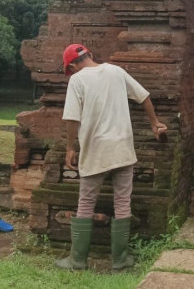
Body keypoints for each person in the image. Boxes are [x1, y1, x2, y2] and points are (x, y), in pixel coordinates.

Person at [54, 43, 168, 271]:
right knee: (122, 203)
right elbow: (144, 96)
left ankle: (77, 260)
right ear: (91, 55)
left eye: (71, 69)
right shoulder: (116, 71)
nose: (73, 72)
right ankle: (120, 261)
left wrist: (70, 148)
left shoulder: (77, 80)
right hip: (123, 149)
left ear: (73, 65)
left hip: (95, 150)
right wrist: (155, 123)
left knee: (85, 203)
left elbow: (72, 119)